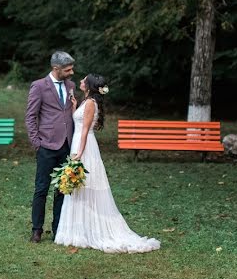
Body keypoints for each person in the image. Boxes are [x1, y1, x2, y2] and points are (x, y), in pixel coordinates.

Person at [55, 74, 161, 253]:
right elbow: (79, 122)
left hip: (85, 146)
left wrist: (79, 153)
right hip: (79, 143)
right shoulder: (86, 101)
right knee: (80, 187)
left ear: (89, 85)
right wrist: (74, 107)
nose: (80, 81)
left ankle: (90, 230)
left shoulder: (90, 103)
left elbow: (85, 130)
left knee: (85, 184)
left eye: (84, 80)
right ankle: (79, 230)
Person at [25, 51, 77, 243]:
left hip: (66, 145)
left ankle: (58, 229)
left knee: (63, 189)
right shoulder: (39, 86)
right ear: (56, 69)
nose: (72, 72)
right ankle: (37, 230)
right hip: (46, 145)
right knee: (41, 189)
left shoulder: (71, 86)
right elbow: (30, 116)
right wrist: (36, 143)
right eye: (68, 69)